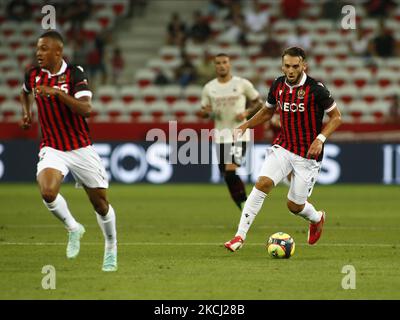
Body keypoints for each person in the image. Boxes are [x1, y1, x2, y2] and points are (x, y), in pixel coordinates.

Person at [224, 47, 342, 251]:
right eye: (287, 66)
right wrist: (245, 126)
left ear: (304, 65)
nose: (291, 70)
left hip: (308, 155)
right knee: (262, 183)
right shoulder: (278, 84)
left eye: (295, 66)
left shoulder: (316, 89)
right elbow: (267, 112)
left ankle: (316, 218)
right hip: (284, 146)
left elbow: (337, 117)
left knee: (294, 206)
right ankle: (239, 237)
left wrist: (320, 139)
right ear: (282, 65)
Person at [19, 31, 117, 272]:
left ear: (58, 51)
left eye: (43, 49)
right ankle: (73, 227)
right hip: (52, 147)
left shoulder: (75, 73)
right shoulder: (32, 74)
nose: (38, 53)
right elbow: (24, 92)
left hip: (80, 147)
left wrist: (59, 93)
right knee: (48, 192)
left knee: (101, 205)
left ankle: (111, 246)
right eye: (38, 48)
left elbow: (86, 109)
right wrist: (27, 112)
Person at [199, 53, 264, 210]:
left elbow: (259, 103)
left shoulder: (242, 83)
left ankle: (245, 204)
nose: (221, 65)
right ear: (215, 66)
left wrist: (247, 113)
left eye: (224, 62)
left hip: (239, 135)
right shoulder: (209, 88)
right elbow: (203, 112)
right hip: (221, 137)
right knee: (227, 176)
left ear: (229, 64)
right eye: (218, 63)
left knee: (230, 170)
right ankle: (242, 204)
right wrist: (207, 112)